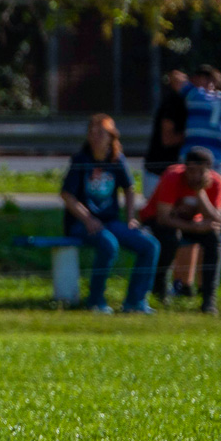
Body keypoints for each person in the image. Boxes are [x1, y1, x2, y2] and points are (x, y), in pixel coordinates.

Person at [59, 114, 159, 315]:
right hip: (80, 223)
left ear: (111, 136)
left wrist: (130, 217)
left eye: (101, 133)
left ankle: (135, 301)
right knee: (109, 244)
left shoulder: (116, 159)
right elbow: (67, 195)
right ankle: (95, 301)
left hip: (109, 222)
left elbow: (129, 188)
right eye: (92, 132)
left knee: (150, 245)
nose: (95, 137)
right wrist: (87, 218)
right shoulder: (80, 160)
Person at [140, 149, 221, 315]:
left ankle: (208, 298)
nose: (195, 176)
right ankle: (160, 288)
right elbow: (163, 218)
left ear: (209, 170)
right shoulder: (172, 176)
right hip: (155, 220)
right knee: (170, 237)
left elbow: (218, 220)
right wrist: (194, 227)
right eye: (191, 171)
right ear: (185, 168)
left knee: (213, 239)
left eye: (201, 171)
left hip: (187, 222)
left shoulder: (215, 182)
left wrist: (200, 193)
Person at [175, 65, 221, 181]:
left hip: (189, 165)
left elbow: (175, 77)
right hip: (220, 165)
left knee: (187, 198)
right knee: (216, 198)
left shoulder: (195, 95)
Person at [141, 73, 189, 198]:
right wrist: (194, 136)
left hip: (172, 173)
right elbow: (167, 139)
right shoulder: (173, 101)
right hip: (158, 173)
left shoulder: (184, 101)